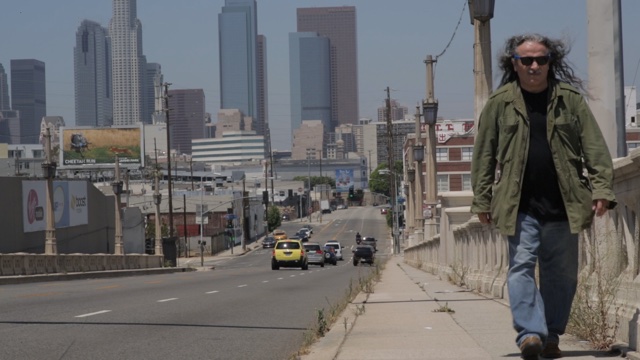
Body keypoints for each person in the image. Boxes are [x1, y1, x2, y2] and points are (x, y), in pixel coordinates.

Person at [470, 33, 616, 360]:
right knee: (521, 267)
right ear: (515, 64)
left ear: (551, 62)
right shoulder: (499, 103)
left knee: (561, 275)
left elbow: (594, 147)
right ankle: (530, 334)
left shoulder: (570, 100)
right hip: (518, 205)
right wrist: (481, 199)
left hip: (564, 203)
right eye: (527, 60)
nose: (534, 66)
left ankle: (551, 335)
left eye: (541, 59)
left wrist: (602, 188)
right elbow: (483, 155)